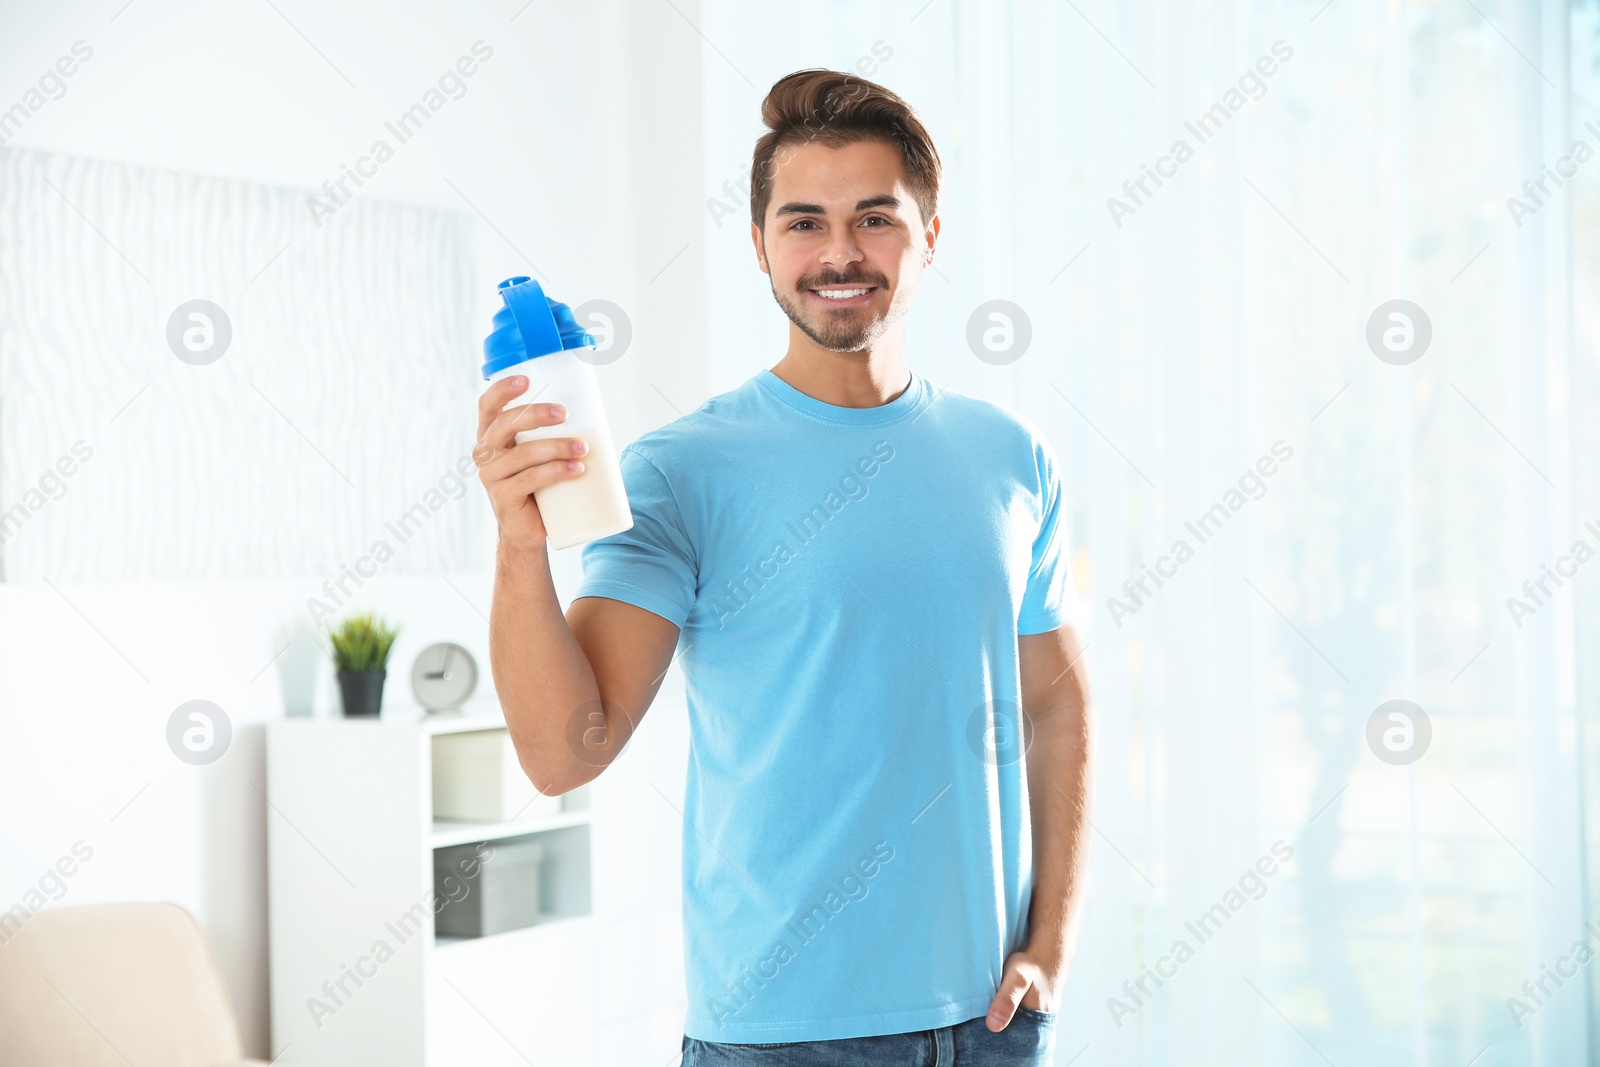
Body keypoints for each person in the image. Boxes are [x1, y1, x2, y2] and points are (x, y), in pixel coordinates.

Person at [474, 67, 1092, 1067]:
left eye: (874, 219)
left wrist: (1049, 945)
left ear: (928, 237)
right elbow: (563, 751)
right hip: (785, 1037)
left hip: (992, 1022)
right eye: (803, 221)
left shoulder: (1011, 456)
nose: (839, 252)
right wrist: (516, 547)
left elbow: (1057, 704)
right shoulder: (682, 470)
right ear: (759, 244)